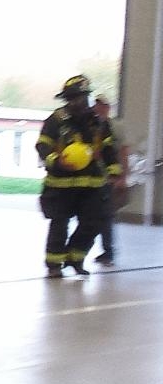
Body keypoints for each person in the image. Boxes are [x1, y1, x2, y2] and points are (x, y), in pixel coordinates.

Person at [35, 75, 121, 278]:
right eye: (72, 98)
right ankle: (54, 265)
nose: (77, 102)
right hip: (60, 184)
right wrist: (57, 161)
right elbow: (42, 146)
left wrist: (115, 173)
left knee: (93, 223)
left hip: (91, 185)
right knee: (59, 225)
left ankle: (75, 258)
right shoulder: (56, 120)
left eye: (81, 97)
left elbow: (109, 149)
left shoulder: (99, 122)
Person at [91, 94, 129, 266]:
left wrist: (122, 176)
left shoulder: (116, 126)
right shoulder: (92, 125)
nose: (98, 108)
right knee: (96, 215)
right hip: (93, 176)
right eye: (96, 105)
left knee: (106, 215)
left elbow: (123, 151)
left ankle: (108, 251)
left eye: (102, 105)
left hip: (110, 177)